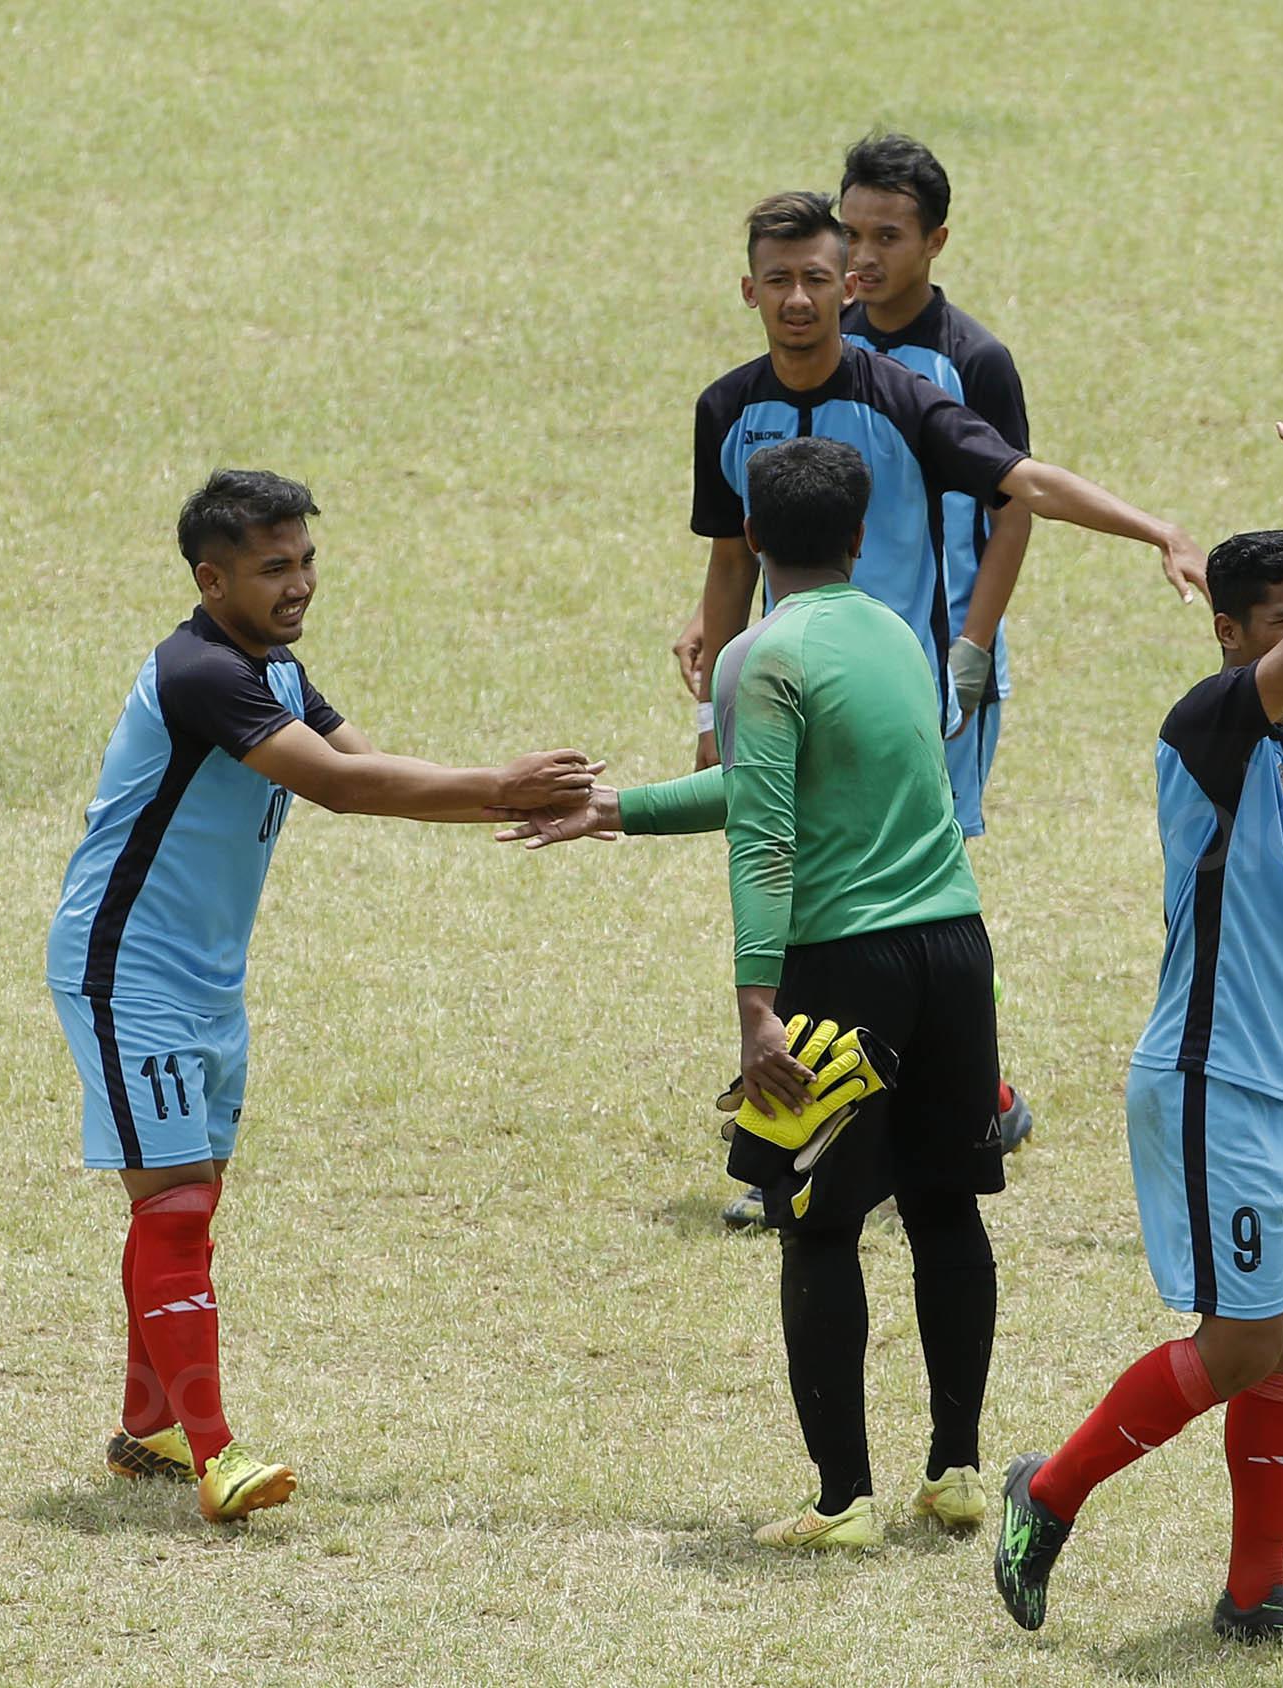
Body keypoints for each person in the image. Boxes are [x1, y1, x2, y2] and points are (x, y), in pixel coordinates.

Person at [47, 469, 600, 1521]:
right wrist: (499, 783)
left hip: (203, 974)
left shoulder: (274, 669)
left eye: (305, 561)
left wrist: (505, 798)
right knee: (176, 1201)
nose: (298, 584)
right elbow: (343, 784)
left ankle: (151, 1420)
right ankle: (214, 1454)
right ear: (213, 580)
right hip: (129, 969)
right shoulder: (202, 672)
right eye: (273, 568)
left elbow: (370, 767)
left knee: (184, 1195)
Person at [508, 437, 1012, 1545]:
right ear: (858, 531)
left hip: (844, 966)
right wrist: (616, 808)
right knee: (944, 1207)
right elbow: (773, 785)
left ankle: (842, 1501)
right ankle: (958, 1468)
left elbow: (768, 833)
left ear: (751, 536)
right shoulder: (896, 634)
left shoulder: (757, 654)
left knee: (818, 1226)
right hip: (955, 949)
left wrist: (754, 1004)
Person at [670, 188, 1201, 1228]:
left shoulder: (907, 396)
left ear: (848, 286)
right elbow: (730, 560)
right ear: (748, 289)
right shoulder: (724, 409)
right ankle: (821, 1136)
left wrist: (1156, 529)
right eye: (777, 279)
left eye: (818, 278)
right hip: (781, 696)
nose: (798, 298)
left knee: (876, 916)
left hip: (893, 701)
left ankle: (886, 1128)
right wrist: (710, 713)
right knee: (797, 906)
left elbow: (1025, 484)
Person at [992, 417, 1283, 1648]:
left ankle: (1255, 1589)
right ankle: (1044, 1495)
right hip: (1212, 1079)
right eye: (1274, 618)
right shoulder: (1213, 718)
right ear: (1229, 632)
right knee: (1238, 1340)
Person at [835, 132, 1039, 1156]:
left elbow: (1015, 508)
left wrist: (973, 645)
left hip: (937, 668)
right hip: (830, 660)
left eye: (888, 235)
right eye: (852, 230)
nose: (863, 255)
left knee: (926, 881)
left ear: (936, 241)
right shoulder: (818, 335)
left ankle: (976, 1092)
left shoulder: (974, 360)